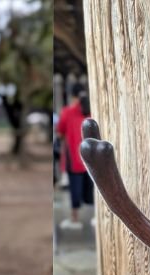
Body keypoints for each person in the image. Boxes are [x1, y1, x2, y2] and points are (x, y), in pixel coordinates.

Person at [56, 83, 95, 230]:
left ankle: (75, 219)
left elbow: (60, 132)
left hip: (74, 158)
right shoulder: (91, 111)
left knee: (75, 189)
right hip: (91, 158)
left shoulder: (67, 111)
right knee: (93, 188)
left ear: (72, 95)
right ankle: (96, 217)